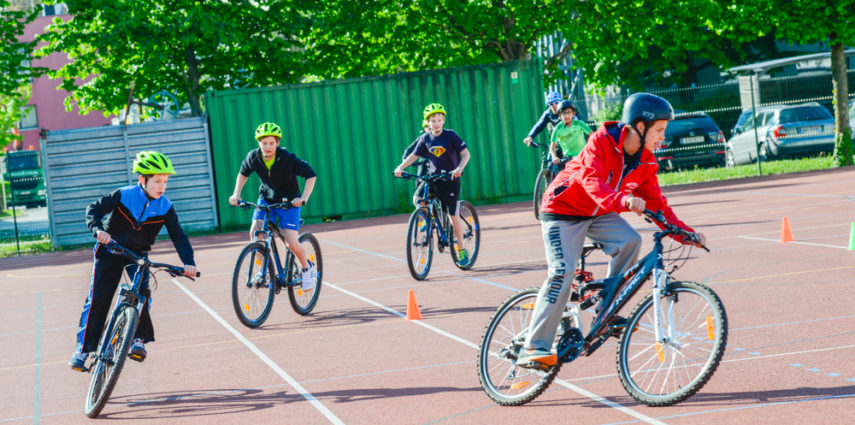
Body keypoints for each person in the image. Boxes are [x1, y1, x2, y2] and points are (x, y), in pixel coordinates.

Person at [517, 93, 707, 369]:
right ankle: (533, 346)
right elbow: (590, 180)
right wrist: (623, 200)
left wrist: (686, 234)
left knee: (630, 241)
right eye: (659, 131)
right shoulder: (600, 141)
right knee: (562, 272)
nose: (662, 138)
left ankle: (604, 310)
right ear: (639, 127)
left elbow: (659, 206)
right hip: (562, 210)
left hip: (597, 212)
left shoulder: (646, 162)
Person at [69, 151, 199, 371]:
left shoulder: (165, 206)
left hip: (137, 254)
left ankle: (138, 340)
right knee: (99, 299)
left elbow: (178, 235)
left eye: (165, 181)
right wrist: (98, 230)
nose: (162, 186)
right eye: (157, 181)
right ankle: (84, 350)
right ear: (142, 180)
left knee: (141, 293)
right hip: (110, 250)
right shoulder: (124, 195)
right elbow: (94, 209)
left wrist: (189, 262)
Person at [228, 122, 318, 293]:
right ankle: (265, 272)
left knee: (291, 241)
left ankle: (307, 269)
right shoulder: (253, 157)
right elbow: (243, 173)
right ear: (259, 144)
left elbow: (310, 175)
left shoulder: (287, 158)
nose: (268, 147)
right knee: (255, 231)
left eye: (271, 143)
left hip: (289, 201)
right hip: (266, 199)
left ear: (277, 143)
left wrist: (303, 198)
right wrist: (236, 194)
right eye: (264, 143)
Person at [394, 103, 472, 265]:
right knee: (418, 199)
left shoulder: (451, 136)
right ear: (427, 123)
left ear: (443, 121)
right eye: (433, 121)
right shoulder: (425, 138)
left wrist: (459, 168)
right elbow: (414, 156)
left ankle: (462, 250)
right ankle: (429, 219)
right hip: (433, 178)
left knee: (452, 215)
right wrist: (401, 167)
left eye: (439, 120)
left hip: (450, 180)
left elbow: (466, 155)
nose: (436, 123)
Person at [548, 99, 592, 170]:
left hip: (583, 155)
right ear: (559, 115)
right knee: (570, 175)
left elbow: (592, 135)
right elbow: (552, 146)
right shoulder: (558, 129)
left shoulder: (579, 124)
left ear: (573, 113)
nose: (566, 116)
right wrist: (554, 157)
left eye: (569, 112)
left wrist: (590, 148)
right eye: (563, 113)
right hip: (568, 158)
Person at [402, 120, 431, 207]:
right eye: (427, 127)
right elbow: (409, 150)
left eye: (430, 127)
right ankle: (425, 211)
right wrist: (405, 161)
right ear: (424, 129)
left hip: (438, 164)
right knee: (419, 181)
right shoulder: (422, 138)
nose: (429, 129)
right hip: (424, 163)